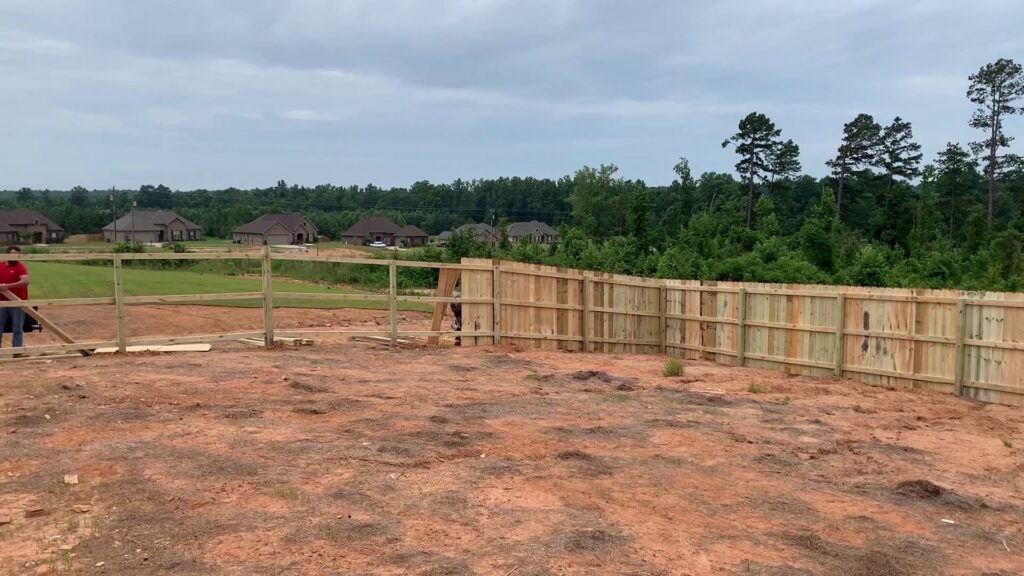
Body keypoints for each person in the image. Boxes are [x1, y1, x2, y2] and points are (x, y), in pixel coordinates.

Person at [0, 245, 31, 349]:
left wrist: (7, 286)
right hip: (1, 302)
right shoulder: (0, 266)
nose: (15, 257)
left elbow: (25, 281)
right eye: (12, 254)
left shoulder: (20, 267)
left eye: (17, 255)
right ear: (7, 254)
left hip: (17, 302)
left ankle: (16, 351)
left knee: (17, 327)